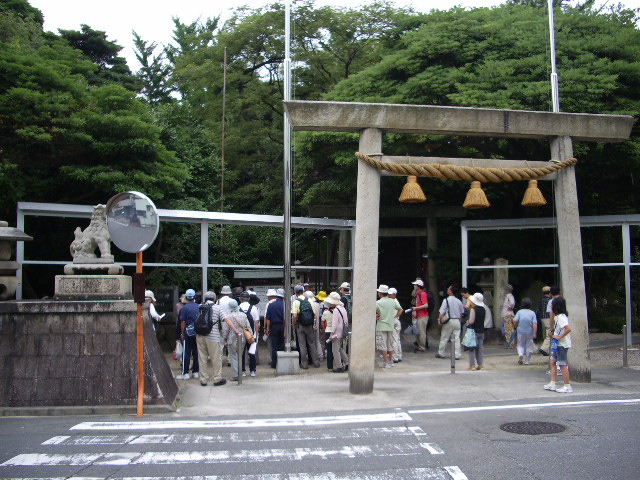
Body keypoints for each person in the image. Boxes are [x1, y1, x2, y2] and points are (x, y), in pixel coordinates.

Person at [196, 291, 231, 387]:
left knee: (202, 358)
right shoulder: (218, 307)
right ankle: (217, 379)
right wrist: (235, 330)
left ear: (205, 299)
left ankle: (203, 380)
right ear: (215, 299)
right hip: (213, 336)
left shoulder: (199, 307)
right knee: (215, 358)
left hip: (200, 335)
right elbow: (226, 319)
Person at [543, 297, 573, 393]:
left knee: (562, 364)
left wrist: (559, 337)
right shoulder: (558, 317)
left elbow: (568, 328)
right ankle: (552, 383)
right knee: (553, 362)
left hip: (562, 344)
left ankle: (567, 386)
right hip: (558, 343)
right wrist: (553, 334)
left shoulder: (561, 317)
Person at [222, 299, 251, 381]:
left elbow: (226, 330)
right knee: (240, 356)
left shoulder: (229, 317)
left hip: (232, 339)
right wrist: (250, 336)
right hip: (242, 339)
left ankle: (235, 375)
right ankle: (241, 373)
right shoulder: (244, 315)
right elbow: (248, 327)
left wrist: (225, 338)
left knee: (233, 357)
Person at [292, 288, 320, 369]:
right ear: (303, 292)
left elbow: (294, 316)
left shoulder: (296, 302)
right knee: (312, 344)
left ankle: (304, 364)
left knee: (302, 345)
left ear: (296, 293)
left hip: (300, 325)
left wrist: (294, 324)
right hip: (310, 326)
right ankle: (316, 363)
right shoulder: (310, 300)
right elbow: (315, 315)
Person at [376, 285, 402, 368]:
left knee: (382, 345)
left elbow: (374, 312)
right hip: (391, 324)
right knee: (390, 344)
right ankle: (391, 360)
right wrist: (395, 316)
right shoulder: (393, 301)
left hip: (381, 325)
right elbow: (400, 309)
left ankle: (386, 361)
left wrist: (378, 315)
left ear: (380, 293)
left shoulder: (378, 303)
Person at [436, 284, 464, 360]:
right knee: (457, 338)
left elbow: (442, 312)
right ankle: (457, 354)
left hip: (449, 321)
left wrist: (439, 320)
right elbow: (462, 313)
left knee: (444, 337)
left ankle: (441, 353)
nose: (447, 289)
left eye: (449, 289)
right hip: (457, 321)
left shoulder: (446, 300)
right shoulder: (459, 301)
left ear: (451, 291)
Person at [176, 289, 200, 380]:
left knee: (186, 352)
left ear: (186, 297)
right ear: (194, 297)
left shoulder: (184, 308)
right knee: (196, 352)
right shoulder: (199, 306)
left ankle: (185, 373)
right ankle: (196, 372)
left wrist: (182, 334)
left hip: (188, 333)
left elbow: (183, 322)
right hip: (198, 332)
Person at [326, 292, 349, 373]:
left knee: (335, 350)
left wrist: (332, 333)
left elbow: (335, 323)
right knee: (340, 348)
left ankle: (339, 366)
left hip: (337, 332)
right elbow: (346, 321)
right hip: (343, 331)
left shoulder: (336, 310)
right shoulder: (343, 308)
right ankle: (347, 362)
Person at [239, 291, 260, 377]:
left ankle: (243, 371)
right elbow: (256, 322)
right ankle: (253, 371)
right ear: (249, 299)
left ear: (240, 299)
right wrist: (256, 334)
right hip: (251, 334)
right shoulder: (253, 308)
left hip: (240, 334)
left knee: (242, 353)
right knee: (252, 353)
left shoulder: (238, 307)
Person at [264, 288, 285, 369]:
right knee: (281, 343)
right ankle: (281, 361)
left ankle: (274, 362)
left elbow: (268, 319)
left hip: (274, 326)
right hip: (283, 325)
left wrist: (268, 328)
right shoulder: (285, 305)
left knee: (274, 345)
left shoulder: (271, 305)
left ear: (276, 295)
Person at [513, 297, 538, 365]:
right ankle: (527, 361)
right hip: (530, 331)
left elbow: (514, 320)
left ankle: (520, 354)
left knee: (520, 344)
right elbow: (535, 323)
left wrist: (516, 326)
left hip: (520, 331)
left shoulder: (519, 312)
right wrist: (535, 333)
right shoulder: (532, 313)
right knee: (528, 346)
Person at [466, 292, 486, 371]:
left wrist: (467, 322)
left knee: (472, 349)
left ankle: (472, 365)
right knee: (480, 349)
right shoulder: (483, 309)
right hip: (481, 330)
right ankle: (480, 365)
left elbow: (471, 321)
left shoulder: (473, 309)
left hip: (473, 331)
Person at [412, 279, 430, 352]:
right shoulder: (418, 294)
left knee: (422, 332)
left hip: (423, 315)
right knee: (418, 332)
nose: (414, 286)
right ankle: (420, 346)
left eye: (415, 285)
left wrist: (416, 308)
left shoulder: (422, 294)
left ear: (418, 286)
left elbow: (426, 305)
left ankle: (422, 347)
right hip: (419, 315)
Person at [388, 287, 403, 363]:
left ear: (394, 295)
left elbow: (401, 310)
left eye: (390, 294)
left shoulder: (394, 301)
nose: (389, 295)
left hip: (394, 321)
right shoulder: (394, 301)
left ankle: (395, 357)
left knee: (394, 340)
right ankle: (399, 355)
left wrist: (395, 316)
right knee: (397, 339)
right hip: (396, 321)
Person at [173, 293, 188, 360]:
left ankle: (183, 360)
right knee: (181, 343)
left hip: (182, 326)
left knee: (183, 343)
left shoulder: (184, 307)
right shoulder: (178, 305)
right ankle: (183, 359)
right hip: (180, 326)